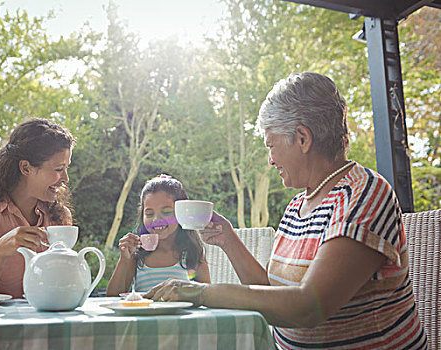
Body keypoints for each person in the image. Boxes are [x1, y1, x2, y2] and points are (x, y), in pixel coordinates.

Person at [145, 72, 427, 349]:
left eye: (271, 145)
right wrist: (228, 241)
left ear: (302, 138)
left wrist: (201, 293)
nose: (270, 159)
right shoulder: (297, 206)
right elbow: (272, 294)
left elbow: (308, 307)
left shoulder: (364, 194)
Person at [0, 118, 75, 299]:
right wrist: (0, 250)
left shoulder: (60, 217)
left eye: (66, 168)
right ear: (25, 167)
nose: (66, 178)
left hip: (48, 324)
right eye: (58, 169)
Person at [107, 175, 210, 296]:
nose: (156, 220)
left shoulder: (192, 253)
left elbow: (206, 295)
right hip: (145, 315)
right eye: (149, 214)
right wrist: (124, 259)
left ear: (181, 213)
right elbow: (112, 297)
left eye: (166, 212)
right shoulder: (137, 255)